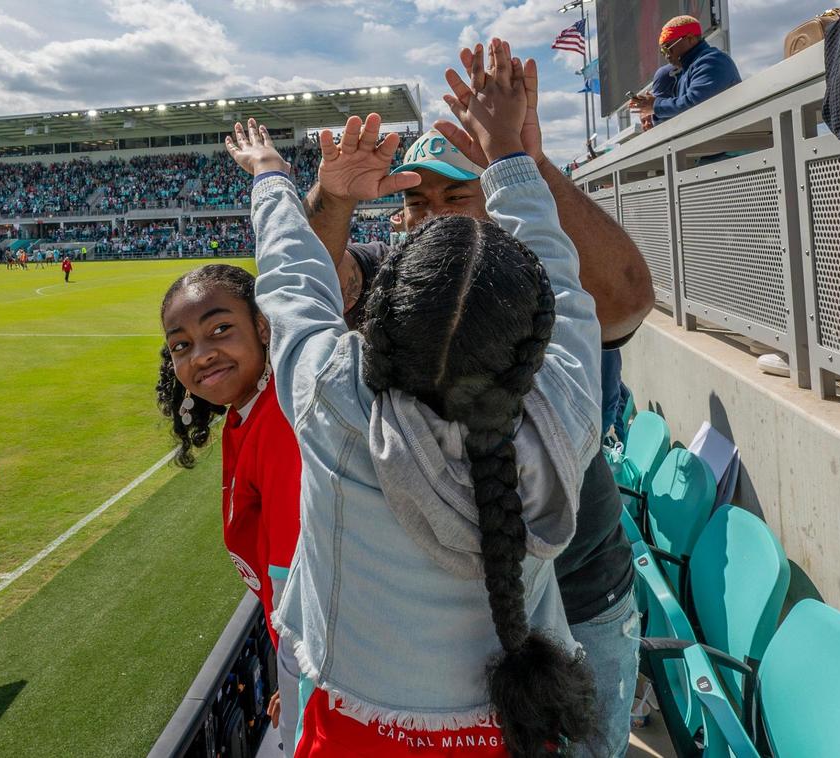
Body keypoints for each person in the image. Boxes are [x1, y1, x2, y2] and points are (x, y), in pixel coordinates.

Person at [229, 38, 600, 757]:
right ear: (532, 331)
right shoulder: (566, 406)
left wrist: (273, 176)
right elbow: (562, 276)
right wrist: (509, 155)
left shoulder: (336, 399)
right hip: (519, 730)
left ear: (382, 314)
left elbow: (291, 284)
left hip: (356, 732)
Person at [306, 52, 650, 758]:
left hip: (578, 604)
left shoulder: (537, 287)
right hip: (445, 638)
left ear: (497, 197)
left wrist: (524, 161)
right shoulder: (404, 292)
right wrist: (335, 201)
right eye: (415, 200)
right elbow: (313, 291)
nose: (427, 218)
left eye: (454, 198)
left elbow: (627, 297)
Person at [157, 265, 303, 755]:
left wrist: (304, 684)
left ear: (263, 326)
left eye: (221, 330)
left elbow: (299, 584)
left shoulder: (280, 421)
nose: (201, 355)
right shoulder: (248, 413)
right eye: (181, 345)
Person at [628, 15, 741, 125]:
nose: (666, 56)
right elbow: (681, 115)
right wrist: (652, 114)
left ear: (690, 39)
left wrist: (655, 106)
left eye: (668, 48)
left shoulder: (712, 61)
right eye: (662, 52)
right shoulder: (685, 71)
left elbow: (695, 105)